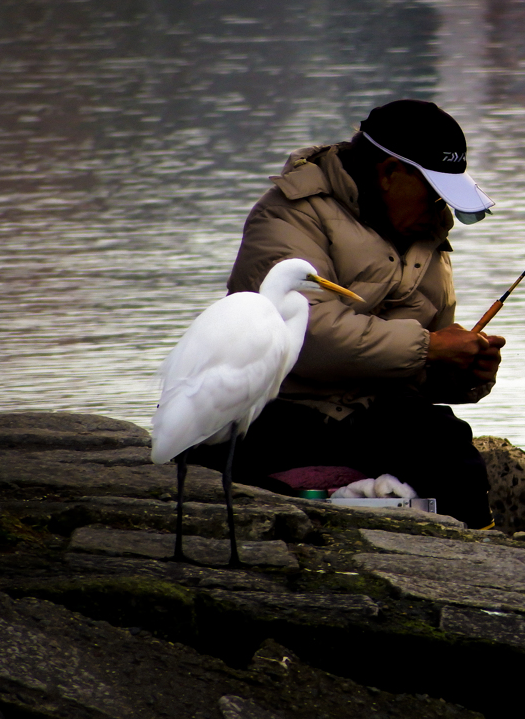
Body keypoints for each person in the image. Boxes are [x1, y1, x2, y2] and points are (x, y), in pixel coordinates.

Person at [196, 99, 504, 528]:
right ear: (389, 173)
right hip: (277, 406)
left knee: (451, 451)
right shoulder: (287, 214)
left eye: (446, 195)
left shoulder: (427, 231)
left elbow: (417, 362)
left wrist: (464, 369)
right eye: (433, 191)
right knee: (241, 472)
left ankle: (479, 574)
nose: (441, 208)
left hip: (375, 410)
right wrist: (431, 347)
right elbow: (310, 334)